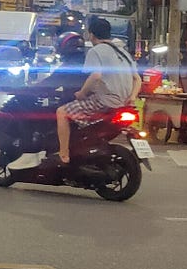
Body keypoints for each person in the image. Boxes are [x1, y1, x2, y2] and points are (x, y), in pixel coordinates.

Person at [55, 16, 139, 167]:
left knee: (62, 112)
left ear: (91, 34)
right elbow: (137, 79)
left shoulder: (96, 51)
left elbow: (95, 75)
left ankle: (63, 155)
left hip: (104, 101)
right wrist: (132, 97)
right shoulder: (123, 52)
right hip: (124, 102)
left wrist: (82, 93)